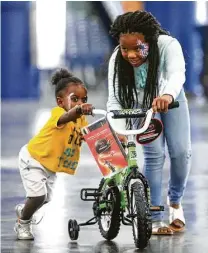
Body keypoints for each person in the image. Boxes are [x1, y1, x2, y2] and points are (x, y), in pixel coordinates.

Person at [107, 10, 191, 235]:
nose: (131, 54)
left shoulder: (167, 45)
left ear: (150, 40)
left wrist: (167, 95)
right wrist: (117, 125)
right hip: (139, 105)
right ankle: (154, 218)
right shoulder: (117, 58)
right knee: (154, 156)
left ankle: (175, 201)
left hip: (171, 100)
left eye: (138, 47)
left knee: (181, 152)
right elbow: (115, 97)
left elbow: (176, 74)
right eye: (125, 48)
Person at [14, 69, 94, 240]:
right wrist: (79, 110)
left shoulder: (81, 120)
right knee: (38, 196)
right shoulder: (58, 113)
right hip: (33, 159)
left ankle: (25, 209)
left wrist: (115, 136)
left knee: (45, 199)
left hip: (50, 165)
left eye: (84, 100)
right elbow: (68, 116)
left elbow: (90, 135)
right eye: (75, 99)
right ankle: (23, 222)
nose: (80, 103)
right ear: (60, 101)